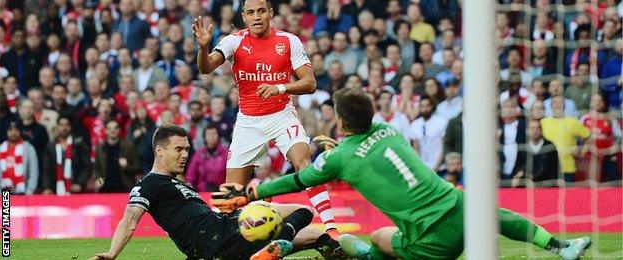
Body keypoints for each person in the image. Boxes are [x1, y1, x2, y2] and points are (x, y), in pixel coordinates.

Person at [213, 88, 592, 260]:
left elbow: (298, 180)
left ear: (341, 122)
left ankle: (365, 257)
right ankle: (561, 248)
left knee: (377, 237)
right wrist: (339, 151)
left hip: (432, 243)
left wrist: (253, 192)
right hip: (460, 209)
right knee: (495, 215)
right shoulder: (387, 130)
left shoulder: (338, 159)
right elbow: (366, 154)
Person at [192, 0, 338, 237]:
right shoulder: (234, 41)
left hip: (282, 115)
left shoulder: (289, 41)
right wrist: (202, 48)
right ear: (244, 17)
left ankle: (332, 229)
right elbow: (206, 68)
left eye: (261, 11)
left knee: (304, 164)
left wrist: (280, 88)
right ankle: (224, 239)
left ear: (270, 13)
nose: (257, 16)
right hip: (248, 121)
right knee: (232, 192)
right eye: (251, 13)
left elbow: (310, 83)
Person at [90, 125, 344, 260]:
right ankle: (278, 246)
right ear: (159, 151)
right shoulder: (148, 184)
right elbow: (129, 220)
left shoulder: (179, 184)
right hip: (221, 238)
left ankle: (335, 254)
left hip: (223, 233)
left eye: (187, 149)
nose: (184, 155)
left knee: (314, 235)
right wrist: (112, 254)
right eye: (178, 149)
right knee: (304, 211)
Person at [0, 122, 39, 195]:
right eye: (10, 130)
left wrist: (29, 191)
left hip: (23, 191)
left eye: (16, 130)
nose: (13, 133)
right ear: (6, 132)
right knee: (6, 206)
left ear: (20, 132)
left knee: (20, 207)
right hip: (5, 191)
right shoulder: (1, 149)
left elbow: (33, 171)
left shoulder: (28, 148)